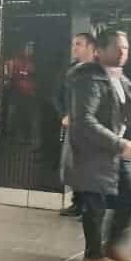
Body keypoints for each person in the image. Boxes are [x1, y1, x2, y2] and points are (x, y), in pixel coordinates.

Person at [65, 29, 131, 261]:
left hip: (111, 151)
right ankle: (94, 254)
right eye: (117, 47)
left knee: (129, 198)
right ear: (99, 51)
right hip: (92, 151)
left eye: (126, 48)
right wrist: (119, 144)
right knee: (94, 203)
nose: (122, 52)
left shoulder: (119, 77)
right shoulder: (87, 78)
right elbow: (85, 120)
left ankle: (111, 247)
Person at [55, 33, 97, 217]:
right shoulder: (70, 70)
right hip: (74, 126)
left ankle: (92, 207)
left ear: (90, 47)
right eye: (73, 44)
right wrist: (64, 114)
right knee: (72, 165)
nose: (75, 48)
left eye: (79, 44)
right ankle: (78, 203)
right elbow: (57, 93)